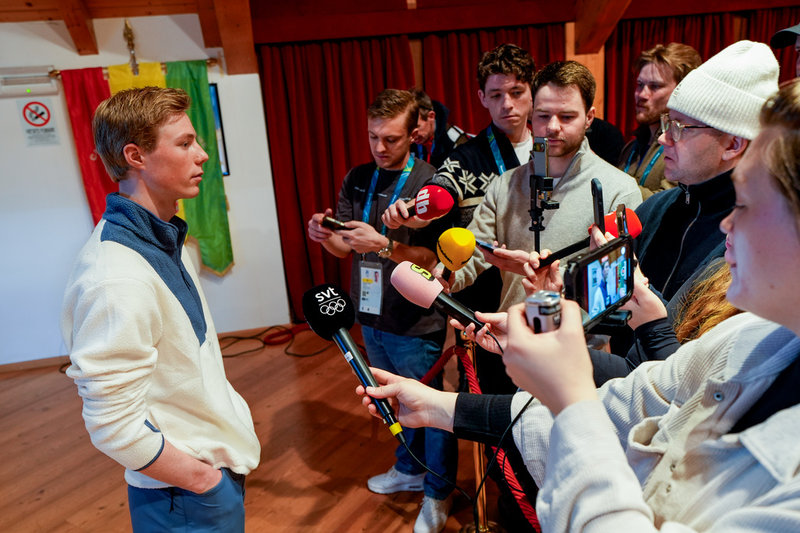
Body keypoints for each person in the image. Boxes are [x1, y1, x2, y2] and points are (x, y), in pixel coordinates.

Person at [359, 77, 800, 531]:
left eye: (748, 204)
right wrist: (437, 406)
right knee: (509, 486)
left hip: (574, 361)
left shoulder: (619, 189)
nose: (727, 225)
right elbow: (639, 396)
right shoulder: (752, 335)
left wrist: (569, 387)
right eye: (542, 116)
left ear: (589, 117)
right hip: (534, 351)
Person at [61, 87, 260, 532]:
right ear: (136, 156)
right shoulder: (116, 276)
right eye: (185, 143)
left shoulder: (165, 238)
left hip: (204, 476)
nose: (202, 154)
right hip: (185, 493)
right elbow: (112, 424)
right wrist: (205, 482)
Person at [306, 89, 454, 533]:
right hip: (370, 315)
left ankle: (438, 492)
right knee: (393, 402)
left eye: (391, 139)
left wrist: (386, 245)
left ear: (414, 135)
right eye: (373, 137)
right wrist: (324, 235)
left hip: (415, 320)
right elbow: (342, 248)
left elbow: (431, 261)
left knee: (431, 410)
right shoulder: (357, 177)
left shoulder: (431, 184)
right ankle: (408, 470)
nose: (380, 148)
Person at [634, 40, 779, 304]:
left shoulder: (756, 237)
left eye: (680, 127)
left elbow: (702, 328)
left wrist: (638, 295)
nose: (664, 138)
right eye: (668, 122)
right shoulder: (654, 209)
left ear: (732, 145)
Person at [617, 43, 701, 199]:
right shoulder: (630, 147)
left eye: (655, 86)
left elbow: (668, 204)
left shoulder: (687, 148)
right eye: (640, 85)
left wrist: (604, 175)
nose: (641, 95)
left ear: (681, 90)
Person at [409, 87, 470, 169]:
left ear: (431, 116)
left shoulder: (456, 142)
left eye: (417, 126)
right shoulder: (407, 140)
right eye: (408, 128)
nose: (412, 135)